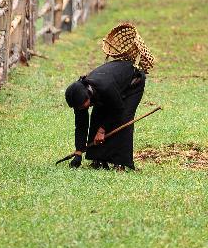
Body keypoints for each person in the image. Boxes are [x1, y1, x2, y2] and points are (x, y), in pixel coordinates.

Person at [64, 23, 154, 172]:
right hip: (113, 86)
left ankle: (121, 162)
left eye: (82, 106)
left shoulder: (104, 87)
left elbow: (117, 109)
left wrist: (102, 130)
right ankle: (99, 160)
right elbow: (81, 125)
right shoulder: (80, 96)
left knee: (123, 119)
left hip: (133, 84)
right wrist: (78, 153)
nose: (81, 109)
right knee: (97, 117)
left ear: (88, 96)